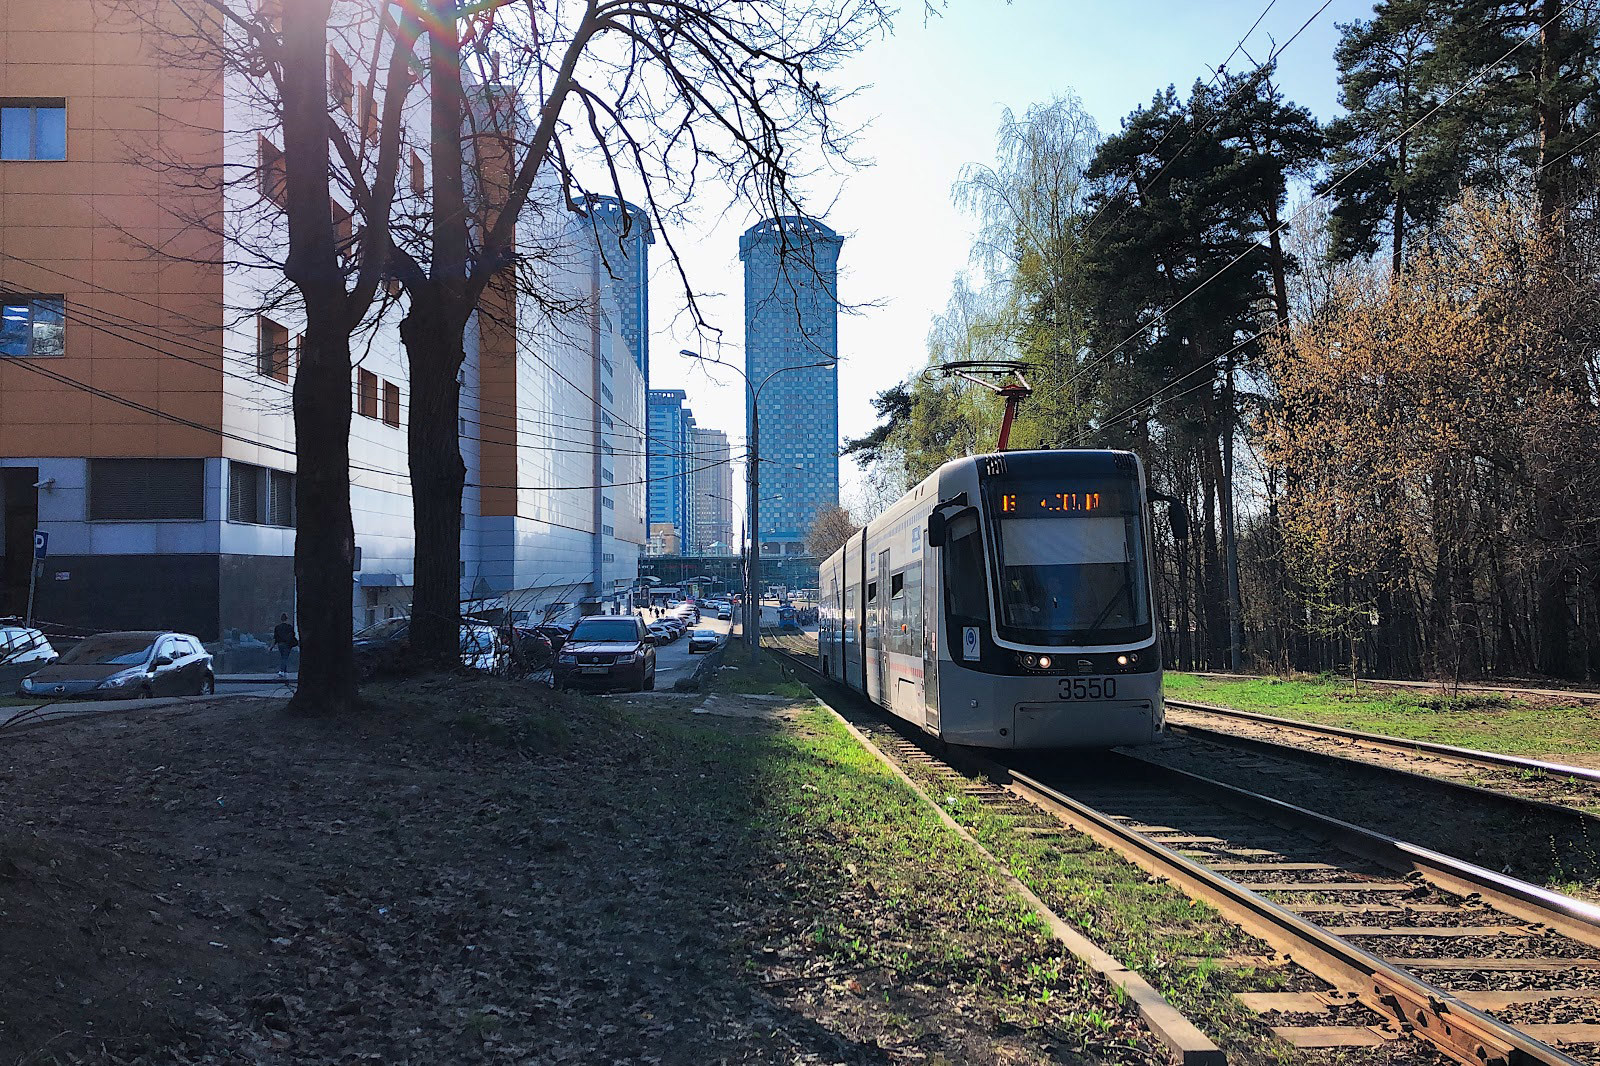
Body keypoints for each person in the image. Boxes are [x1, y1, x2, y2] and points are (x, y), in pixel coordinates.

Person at [271, 613, 298, 680]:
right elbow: (292, 636)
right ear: (287, 619)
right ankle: (282, 671)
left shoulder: (277, 627)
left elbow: (275, 638)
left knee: (283, 657)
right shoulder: (289, 627)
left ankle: (285, 672)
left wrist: (271, 646)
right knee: (285, 658)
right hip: (287, 644)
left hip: (280, 644)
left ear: (281, 619)